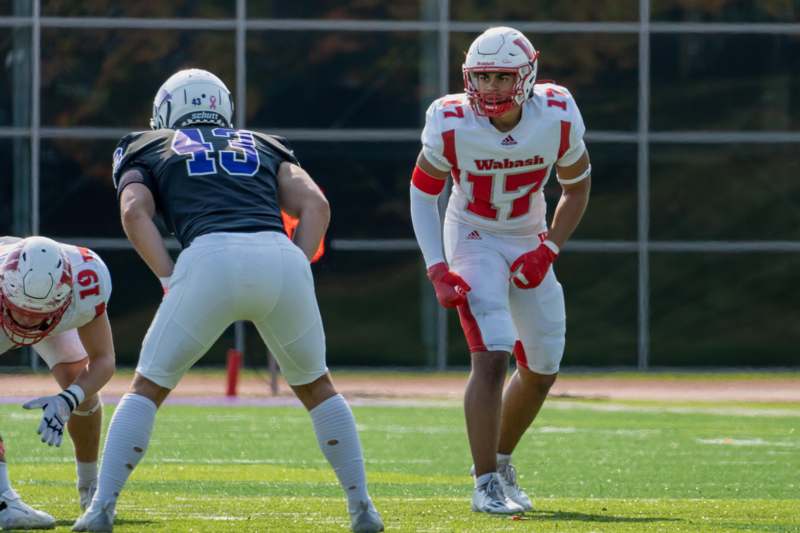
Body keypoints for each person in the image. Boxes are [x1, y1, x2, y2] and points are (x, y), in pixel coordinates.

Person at [73, 68, 383, 533]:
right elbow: (316, 204)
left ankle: (100, 511)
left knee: (147, 389)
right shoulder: (264, 143)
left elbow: (134, 210)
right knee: (318, 388)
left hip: (209, 256)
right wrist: (296, 268)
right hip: (279, 257)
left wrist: (167, 276)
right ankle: (363, 510)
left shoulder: (145, 145)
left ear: (166, 110)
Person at [409, 26, 592, 514]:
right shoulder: (450, 121)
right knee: (491, 354)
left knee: (543, 366)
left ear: (528, 75)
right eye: (482, 76)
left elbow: (577, 187)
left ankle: (500, 460)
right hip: (472, 233)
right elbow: (423, 192)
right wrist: (436, 267)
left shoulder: (555, 115)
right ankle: (485, 482)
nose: (489, 87)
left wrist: (549, 248)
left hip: (527, 234)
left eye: (501, 76)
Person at [0, 235, 115, 529]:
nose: (27, 323)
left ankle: (91, 490)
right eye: (21, 311)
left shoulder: (86, 281)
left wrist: (69, 399)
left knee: (81, 383)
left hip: (58, 318)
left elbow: (103, 360)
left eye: (37, 314)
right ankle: (3, 500)